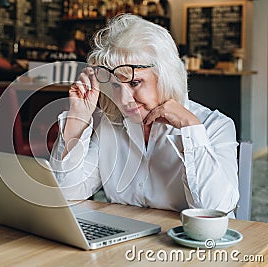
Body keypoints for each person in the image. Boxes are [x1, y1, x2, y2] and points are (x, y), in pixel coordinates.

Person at [49, 14, 239, 216]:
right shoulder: (110, 124)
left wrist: (190, 129)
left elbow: (217, 210)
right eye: (115, 85)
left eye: (134, 83)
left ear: (165, 74)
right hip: (127, 242)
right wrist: (78, 118)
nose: (123, 100)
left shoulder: (215, 126)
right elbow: (66, 193)